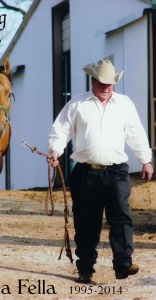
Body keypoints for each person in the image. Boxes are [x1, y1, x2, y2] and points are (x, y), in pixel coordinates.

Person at [47, 59, 154, 283]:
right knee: (86, 222)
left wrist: (145, 160)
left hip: (116, 172)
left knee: (121, 217)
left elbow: (135, 132)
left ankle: (123, 264)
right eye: (101, 83)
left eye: (110, 84)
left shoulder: (125, 104)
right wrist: (55, 151)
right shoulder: (77, 105)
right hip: (85, 174)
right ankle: (85, 267)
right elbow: (61, 129)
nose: (106, 87)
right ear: (93, 81)